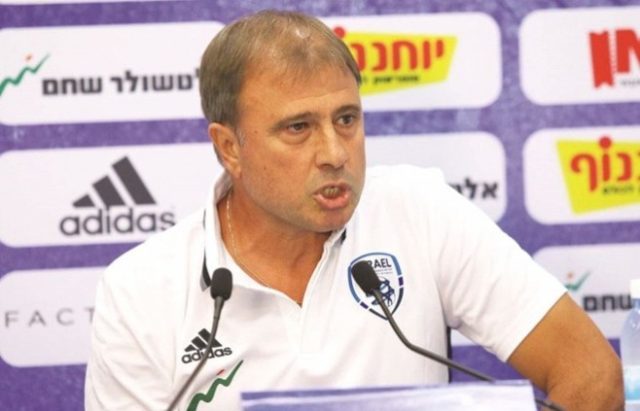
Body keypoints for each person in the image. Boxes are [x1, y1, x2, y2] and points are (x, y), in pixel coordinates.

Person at [85, 9, 623, 411]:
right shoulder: (140, 290)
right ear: (230, 147)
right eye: (298, 128)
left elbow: (591, 373)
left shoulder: (420, 210)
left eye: (346, 119)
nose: (335, 153)